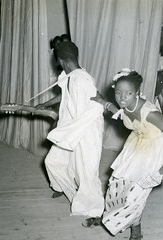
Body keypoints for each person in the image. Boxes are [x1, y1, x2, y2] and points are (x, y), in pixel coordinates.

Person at [96, 68, 163, 240]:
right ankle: (109, 217)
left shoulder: (149, 112)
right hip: (137, 144)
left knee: (136, 193)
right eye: (118, 93)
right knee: (116, 185)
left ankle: (136, 226)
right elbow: (119, 113)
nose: (122, 97)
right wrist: (103, 102)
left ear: (137, 93)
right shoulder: (125, 105)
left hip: (155, 150)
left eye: (128, 93)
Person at [36, 40, 105, 220]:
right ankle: (72, 193)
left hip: (87, 131)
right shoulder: (70, 76)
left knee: (87, 172)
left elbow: (98, 105)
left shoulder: (82, 79)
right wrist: (46, 104)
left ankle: (96, 211)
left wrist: (71, 129)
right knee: (53, 161)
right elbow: (65, 95)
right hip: (70, 130)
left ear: (60, 60)